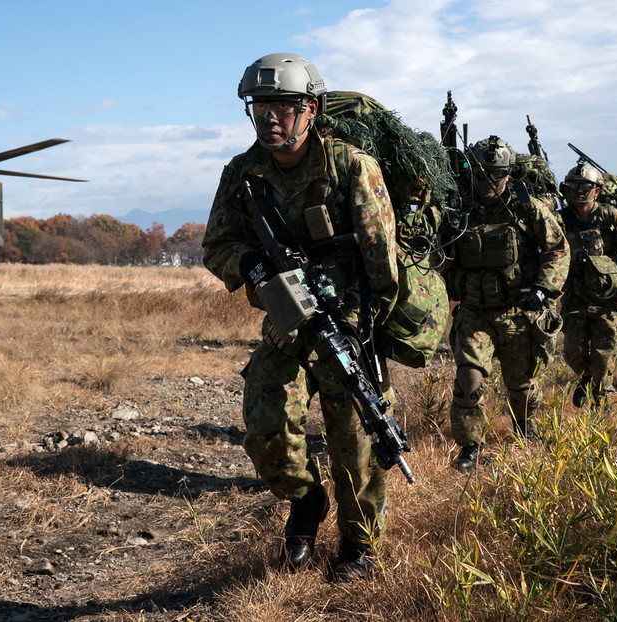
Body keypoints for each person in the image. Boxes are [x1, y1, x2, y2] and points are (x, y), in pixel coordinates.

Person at [202, 53, 399, 582]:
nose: (270, 117)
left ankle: (359, 549)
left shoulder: (351, 166)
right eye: (260, 106)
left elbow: (382, 259)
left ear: (309, 108)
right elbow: (216, 244)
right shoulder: (242, 173)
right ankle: (307, 503)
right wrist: (252, 263)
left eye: (283, 106)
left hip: (349, 320)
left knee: (356, 439)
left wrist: (367, 330)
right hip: (288, 319)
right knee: (266, 425)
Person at [445, 135, 569, 472]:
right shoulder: (458, 206)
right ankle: (471, 446)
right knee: (468, 381)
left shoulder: (528, 208)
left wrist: (544, 289)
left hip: (518, 312)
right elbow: (440, 259)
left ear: (508, 173)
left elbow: (557, 250)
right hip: (474, 312)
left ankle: (524, 426)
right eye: (481, 173)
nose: (487, 182)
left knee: (521, 387)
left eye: (496, 174)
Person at [557, 164, 617, 410]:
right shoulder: (559, 220)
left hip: (607, 300)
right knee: (572, 354)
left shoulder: (611, 217)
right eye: (573, 186)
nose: (579, 192)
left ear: (597, 191)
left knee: (604, 357)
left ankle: (602, 412)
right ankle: (587, 379)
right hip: (575, 298)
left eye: (585, 187)